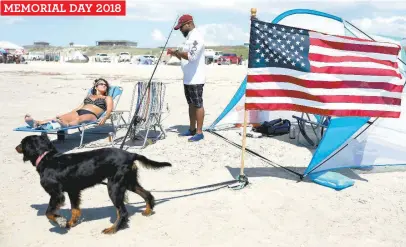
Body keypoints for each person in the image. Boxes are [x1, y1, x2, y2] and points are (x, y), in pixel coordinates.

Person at [167, 14, 206, 142]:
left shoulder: (197, 37)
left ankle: (199, 132)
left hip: (196, 78)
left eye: (182, 27)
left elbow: (192, 56)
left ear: (189, 24)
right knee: (190, 104)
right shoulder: (189, 38)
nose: (181, 30)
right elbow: (183, 58)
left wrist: (177, 51)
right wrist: (175, 53)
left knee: (198, 104)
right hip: (188, 78)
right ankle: (191, 129)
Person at [24, 78, 113, 129]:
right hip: (80, 111)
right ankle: (37, 123)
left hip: (92, 115)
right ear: (96, 87)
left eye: (106, 85)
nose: (104, 85)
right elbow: (79, 107)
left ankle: (66, 125)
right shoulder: (89, 96)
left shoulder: (107, 98)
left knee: (80, 119)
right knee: (60, 118)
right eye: (101, 84)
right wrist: (70, 113)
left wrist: (105, 118)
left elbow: (109, 110)